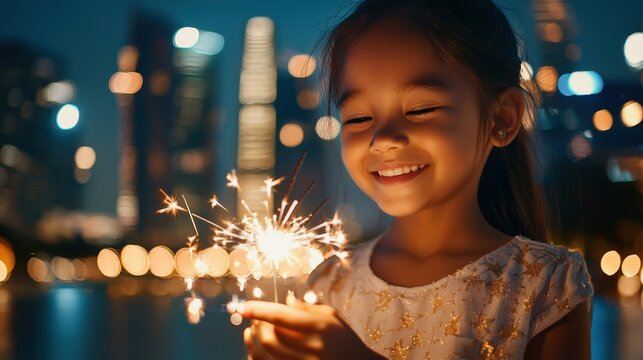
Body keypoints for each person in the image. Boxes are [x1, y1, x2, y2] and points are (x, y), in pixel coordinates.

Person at [239, 0, 594, 358]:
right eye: (359, 118)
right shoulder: (330, 283)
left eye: (420, 110)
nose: (384, 139)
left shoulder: (545, 283)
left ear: (501, 119)